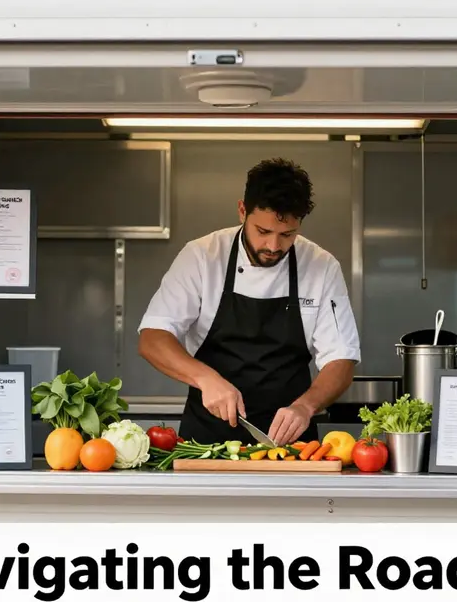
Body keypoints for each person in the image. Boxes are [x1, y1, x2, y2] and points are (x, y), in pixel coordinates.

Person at [137, 157, 361, 446]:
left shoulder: (321, 266)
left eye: (287, 234)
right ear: (242, 210)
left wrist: (306, 407)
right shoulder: (203, 256)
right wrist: (205, 378)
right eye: (263, 231)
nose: (273, 246)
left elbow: (341, 360)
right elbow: (152, 338)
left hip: (290, 445)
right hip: (207, 444)